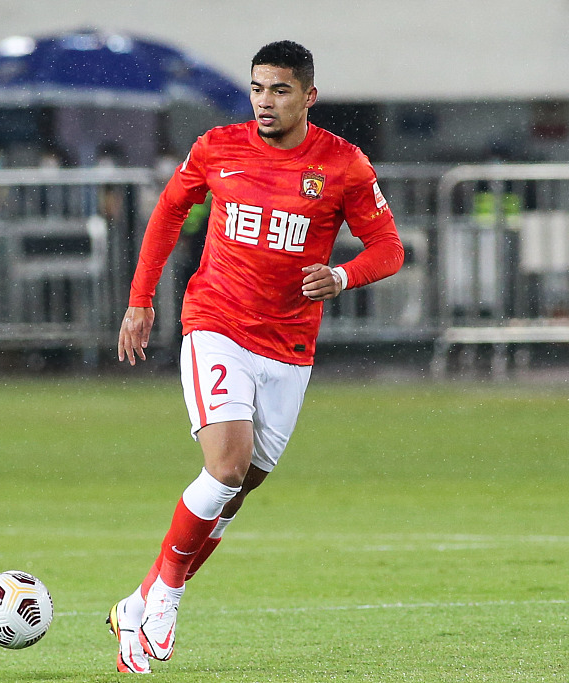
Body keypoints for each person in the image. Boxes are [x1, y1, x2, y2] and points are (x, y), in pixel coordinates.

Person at [108, 40, 404, 674]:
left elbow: (389, 248)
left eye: (280, 90)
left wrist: (343, 276)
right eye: (257, 88)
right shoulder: (218, 147)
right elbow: (169, 212)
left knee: (239, 490)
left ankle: (137, 601)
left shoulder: (343, 164)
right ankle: (165, 598)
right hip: (215, 323)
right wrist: (140, 300)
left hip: (290, 346)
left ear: (309, 96)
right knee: (226, 466)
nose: (265, 102)